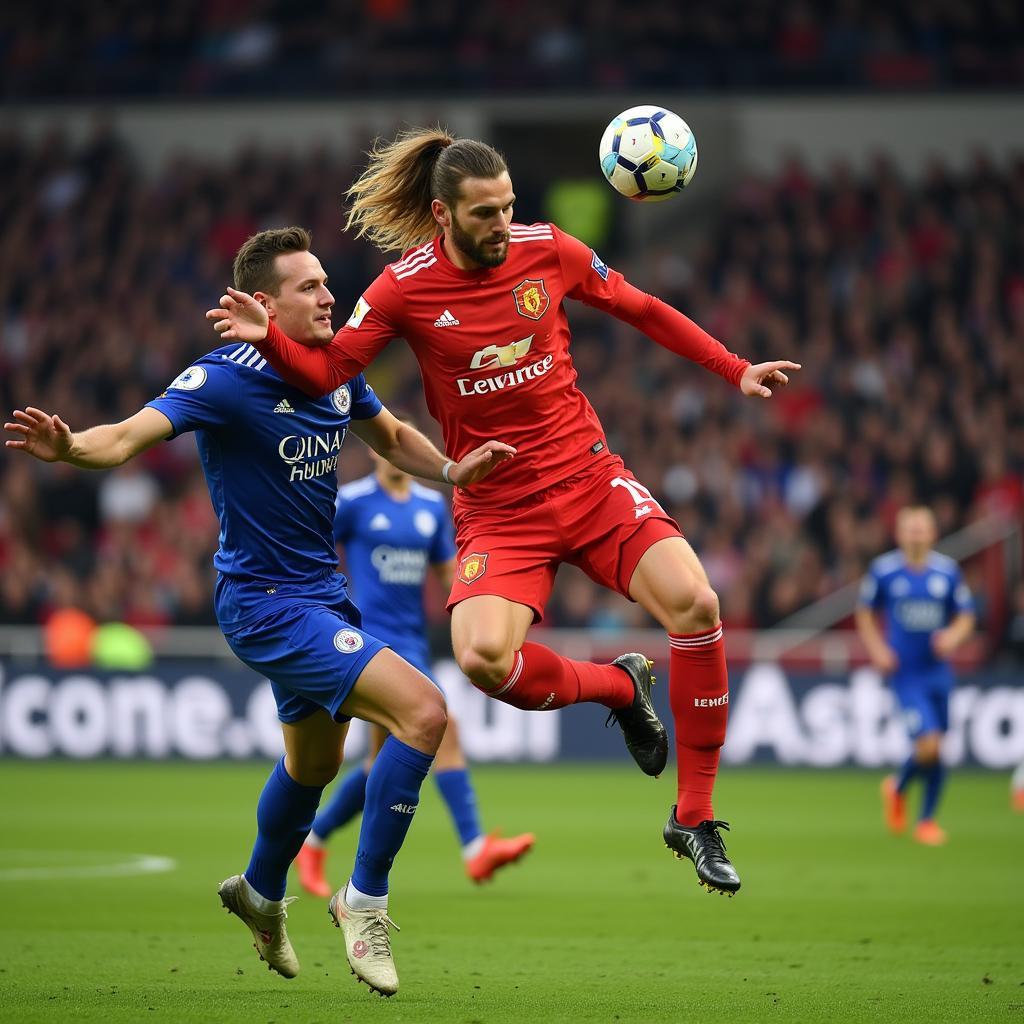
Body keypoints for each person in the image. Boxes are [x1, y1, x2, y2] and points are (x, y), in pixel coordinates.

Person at [207, 129, 803, 895]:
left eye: (509, 206)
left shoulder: (548, 250)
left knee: (696, 602)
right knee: (485, 662)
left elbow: (643, 309)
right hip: (496, 508)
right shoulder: (400, 289)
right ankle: (621, 688)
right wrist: (274, 345)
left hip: (587, 478)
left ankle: (694, 815)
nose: (502, 224)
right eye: (485, 213)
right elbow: (330, 372)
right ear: (442, 214)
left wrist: (735, 367)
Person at [5, 226, 514, 997]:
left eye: (324, 283)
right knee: (425, 710)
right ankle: (362, 900)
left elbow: (391, 434)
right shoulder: (224, 378)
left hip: (321, 598)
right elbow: (124, 438)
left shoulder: (335, 371)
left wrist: (450, 468)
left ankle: (258, 891)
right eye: (308, 286)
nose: (328, 295)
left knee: (310, 766)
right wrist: (71, 446)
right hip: (264, 604)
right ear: (263, 302)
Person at [295, 436, 535, 895]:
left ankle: (315, 840)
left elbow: (449, 572)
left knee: (382, 761)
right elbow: (317, 551)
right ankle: (474, 848)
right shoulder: (354, 502)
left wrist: (484, 598)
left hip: (414, 644)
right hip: (371, 644)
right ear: (374, 452)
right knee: (440, 734)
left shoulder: (429, 507)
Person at [856, 506, 976, 846]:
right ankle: (903, 795)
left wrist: (953, 636)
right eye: (910, 529)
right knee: (928, 744)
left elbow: (966, 616)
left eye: (922, 529)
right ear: (899, 535)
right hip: (906, 674)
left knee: (937, 749)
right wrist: (878, 650)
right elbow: (865, 614)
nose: (916, 535)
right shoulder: (884, 572)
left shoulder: (947, 572)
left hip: (938, 671)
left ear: (933, 533)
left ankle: (920, 815)